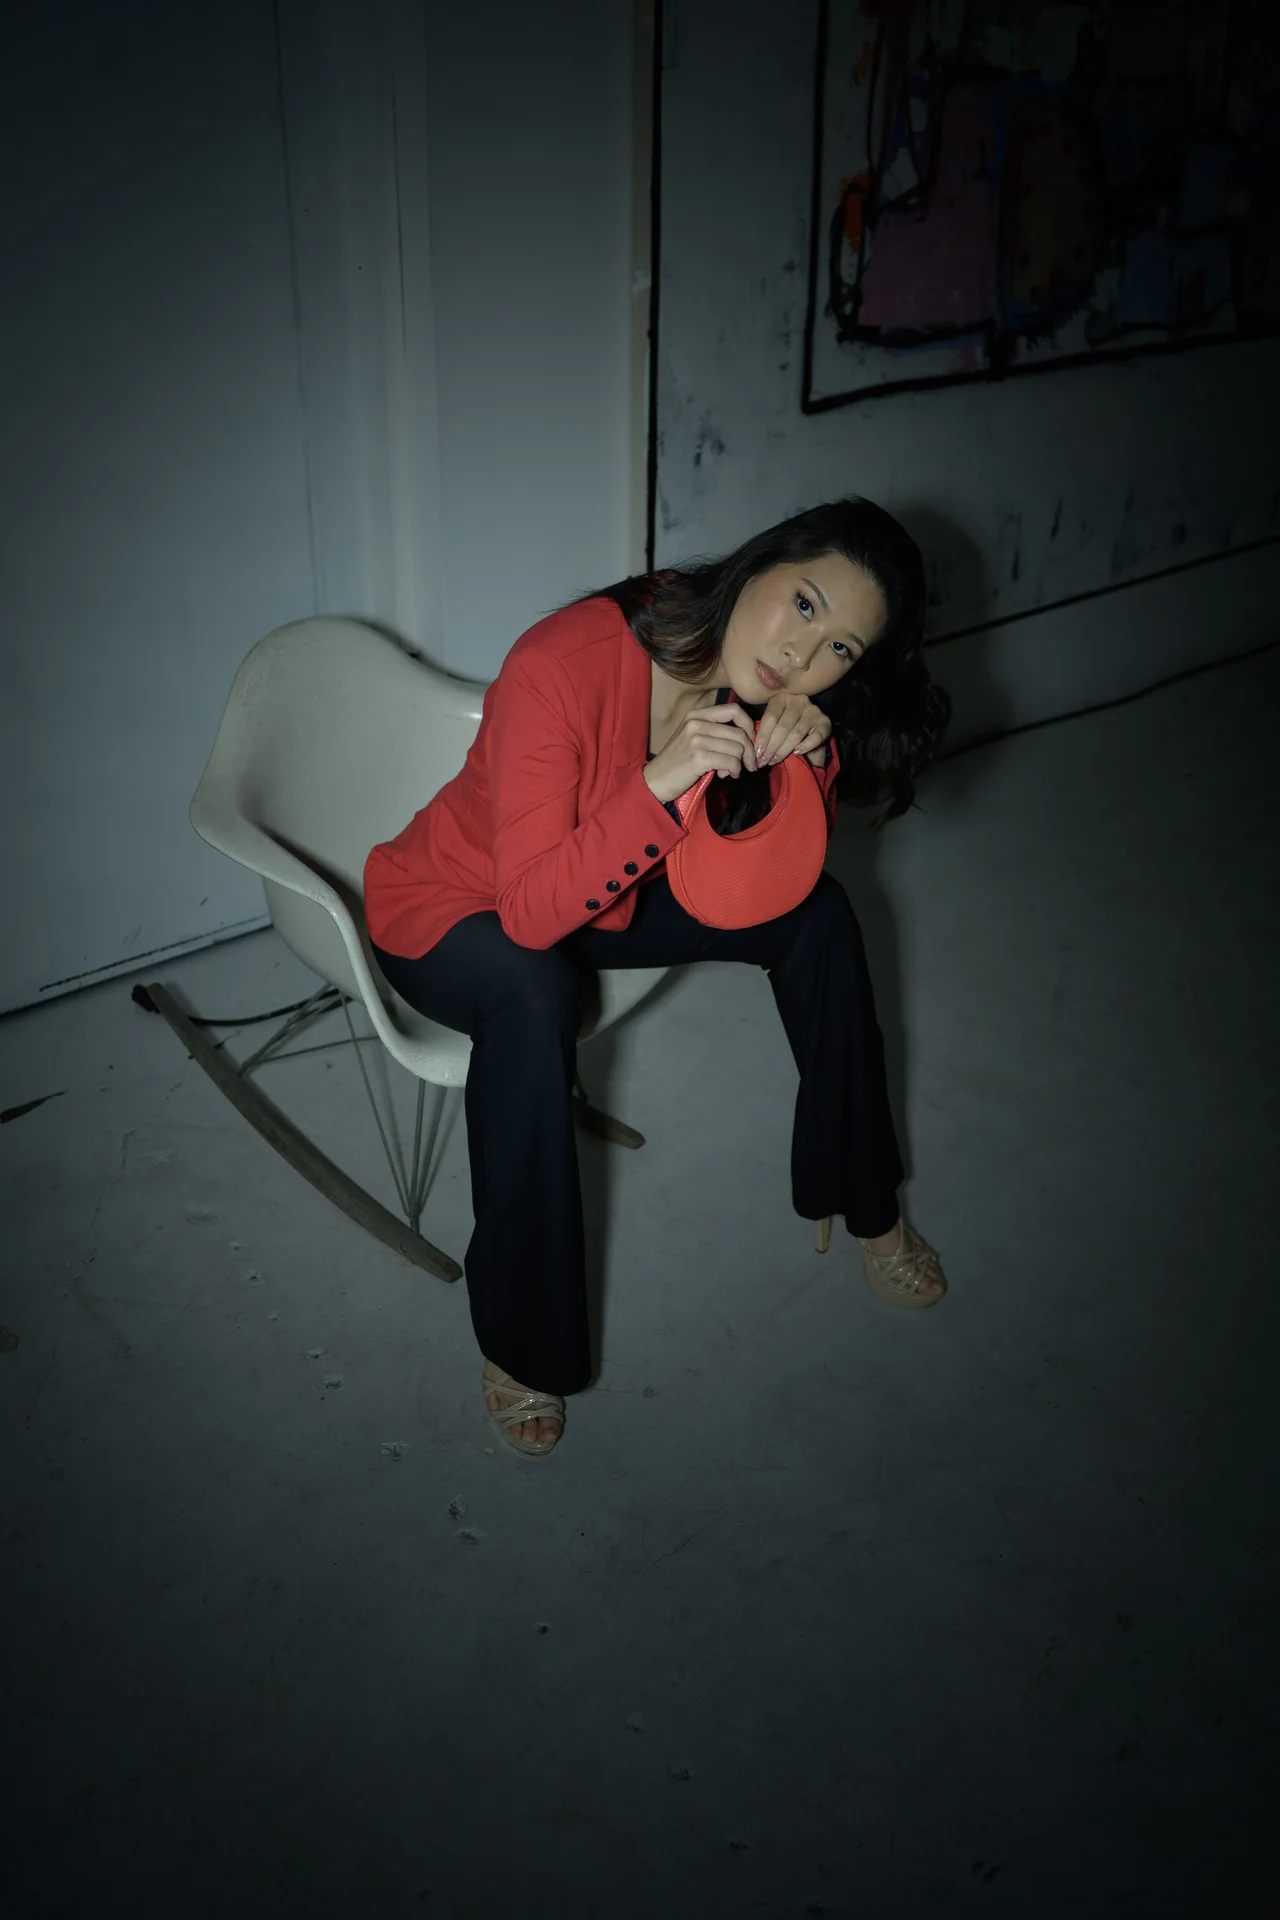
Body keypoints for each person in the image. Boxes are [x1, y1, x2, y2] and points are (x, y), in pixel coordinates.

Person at [364, 497, 953, 1457]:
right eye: (804, 605)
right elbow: (528, 915)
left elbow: (765, 861)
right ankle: (522, 1342)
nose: (804, 656)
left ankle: (868, 1204)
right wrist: (661, 778)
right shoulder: (562, 661)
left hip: (612, 899)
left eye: (843, 648)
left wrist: (813, 755)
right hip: (458, 906)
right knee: (530, 988)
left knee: (821, 917)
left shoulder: (778, 683)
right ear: (761, 564)